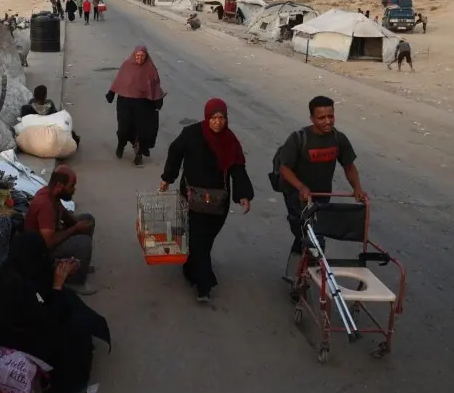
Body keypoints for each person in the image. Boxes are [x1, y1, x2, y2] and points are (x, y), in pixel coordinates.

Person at [0, 232, 110, 393]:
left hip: (39, 315)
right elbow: (43, 321)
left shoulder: (26, 267)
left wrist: (63, 270)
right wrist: (57, 285)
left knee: (70, 302)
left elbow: (43, 283)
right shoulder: (12, 284)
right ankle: (67, 387)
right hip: (21, 334)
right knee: (72, 333)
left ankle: (85, 343)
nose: (43, 258)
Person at [159, 98, 254, 303]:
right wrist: (167, 178)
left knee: (205, 239)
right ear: (206, 117)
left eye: (221, 118)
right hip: (192, 198)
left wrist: (243, 195)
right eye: (213, 118)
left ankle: (191, 267)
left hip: (218, 201)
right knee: (197, 238)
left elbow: (237, 168)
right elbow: (175, 152)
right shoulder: (192, 134)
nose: (217, 122)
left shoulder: (230, 140)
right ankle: (204, 285)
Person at [277, 95, 367, 267]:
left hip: (322, 196)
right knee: (308, 234)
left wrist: (357, 188)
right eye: (321, 118)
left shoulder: (338, 138)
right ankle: (300, 273)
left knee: (312, 234)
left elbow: (349, 166)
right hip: (298, 196)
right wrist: (301, 187)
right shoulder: (298, 139)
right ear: (312, 118)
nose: (327, 121)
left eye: (330, 116)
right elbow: (284, 168)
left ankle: (299, 272)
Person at [24, 166, 96, 295]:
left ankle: (80, 265)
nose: (74, 190)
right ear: (59, 185)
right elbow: (48, 243)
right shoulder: (45, 204)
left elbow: (63, 213)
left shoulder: (52, 194)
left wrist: (76, 223)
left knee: (88, 219)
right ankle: (73, 282)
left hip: (50, 236)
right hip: (41, 252)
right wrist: (75, 229)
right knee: (83, 243)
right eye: (71, 186)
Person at [105, 45, 166, 166]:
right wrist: (111, 93)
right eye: (138, 56)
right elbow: (119, 80)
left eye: (142, 56)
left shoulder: (150, 68)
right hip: (125, 103)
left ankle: (138, 153)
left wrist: (158, 100)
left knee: (142, 131)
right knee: (124, 129)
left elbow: (155, 86)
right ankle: (121, 144)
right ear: (134, 55)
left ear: (146, 56)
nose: (140, 58)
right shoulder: (127, 65)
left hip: (143, 104)